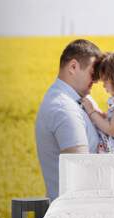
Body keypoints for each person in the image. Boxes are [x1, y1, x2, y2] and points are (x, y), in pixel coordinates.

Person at [35, 39, 102, 201]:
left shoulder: (81, 100)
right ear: (73, 67)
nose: (97, 81)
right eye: (94, 74)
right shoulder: (64, 108)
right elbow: (80, 173)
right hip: (75, 215)